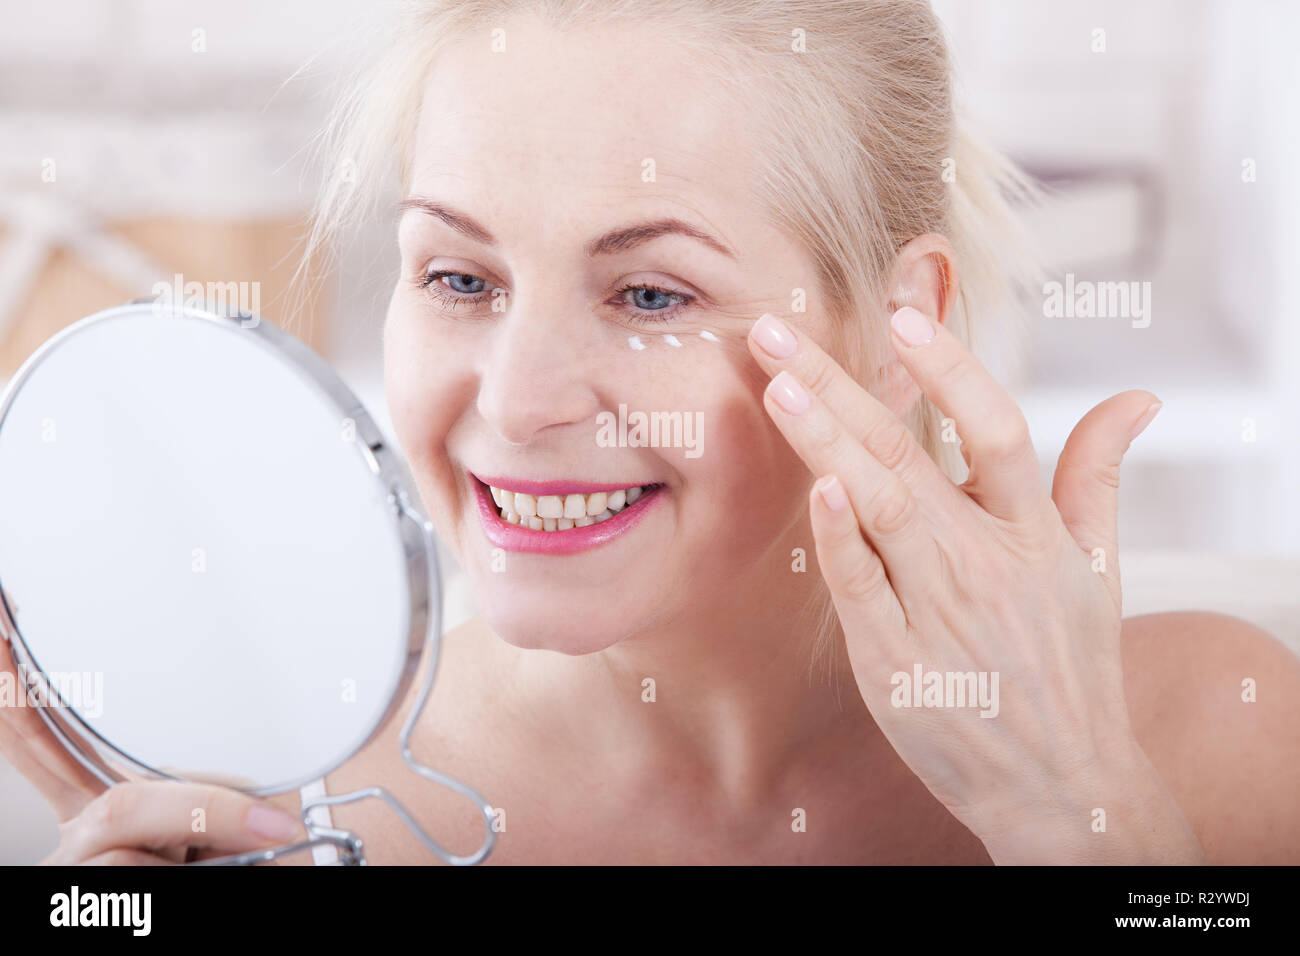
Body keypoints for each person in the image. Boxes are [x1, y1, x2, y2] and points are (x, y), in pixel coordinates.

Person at [7, 0, 1297, 865]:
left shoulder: (1211, 742)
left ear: (903, 320)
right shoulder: (309, 814)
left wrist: (1068, 806)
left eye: (649, 295)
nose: (515, 403)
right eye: (459, 278)